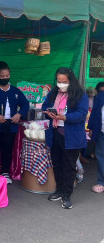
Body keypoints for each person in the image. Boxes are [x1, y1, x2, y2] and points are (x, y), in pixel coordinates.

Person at [42, 67, 88, 209]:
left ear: (71, 81)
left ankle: (67, 195)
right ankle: (59, 190)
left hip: (71, 136)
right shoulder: (54, 92)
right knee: (57, 164)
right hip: (55, 133)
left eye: (64, 81)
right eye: (59, 81)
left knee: (69, 166)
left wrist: (65, 117)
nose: (61, 84)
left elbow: (81, 114)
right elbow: (45, 106)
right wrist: (48, 113)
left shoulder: (79, 94)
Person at [0, 61, 29, 184]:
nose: (5, 78)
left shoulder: (15, 91)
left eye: (7, 76)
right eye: (2, 76)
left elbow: (25, 104)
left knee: (7, 150)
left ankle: (5, 173)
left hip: (10, 125)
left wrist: (19, 114)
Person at [88, 81, 104, 193]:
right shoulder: (100, 97)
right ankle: (101, 182)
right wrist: (91, 128)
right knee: (101, 157)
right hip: (101, 132)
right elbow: (94, 113)